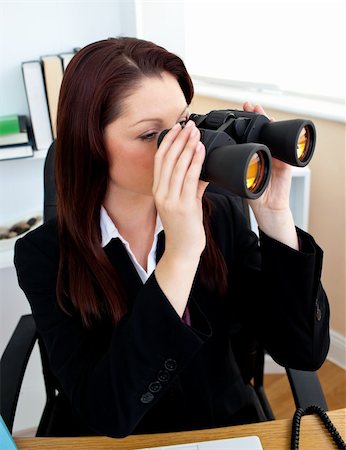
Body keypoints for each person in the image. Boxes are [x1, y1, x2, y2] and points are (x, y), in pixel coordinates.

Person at [14, 37, 330, 438]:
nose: (182, 147)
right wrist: (180, 255)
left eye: (184, 124)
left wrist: (274, 216)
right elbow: (108, 412)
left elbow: (302, 349)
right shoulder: (44, 255)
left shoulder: (220, 216)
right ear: (90, 145)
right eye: (151, 136)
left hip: (220, 430)